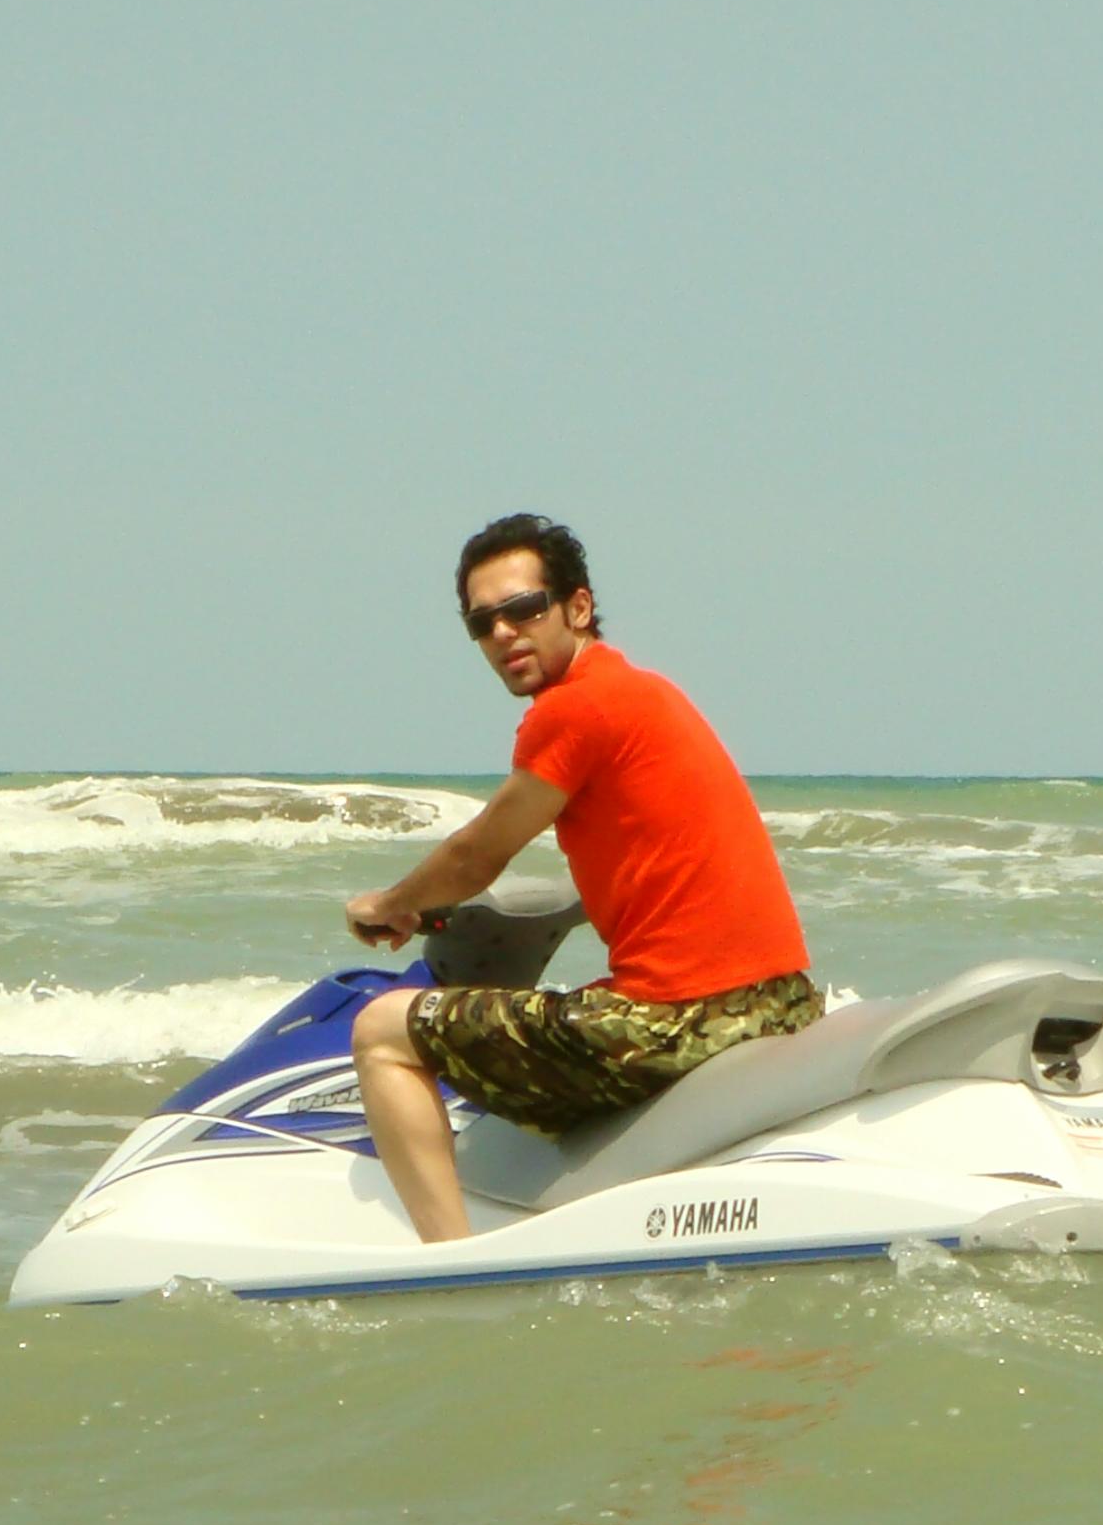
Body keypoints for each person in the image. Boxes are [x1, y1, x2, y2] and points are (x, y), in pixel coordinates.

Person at [345, 513, 822, 1243]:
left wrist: (393, 904)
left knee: (381, 1029)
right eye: (481, 623)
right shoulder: (643, 692)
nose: (503, 633)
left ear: (577, 606)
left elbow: (476, 857)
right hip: (781, 1001)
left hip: (680, 1019)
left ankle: (450, 1260)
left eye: (523, 609)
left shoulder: (573, 709)